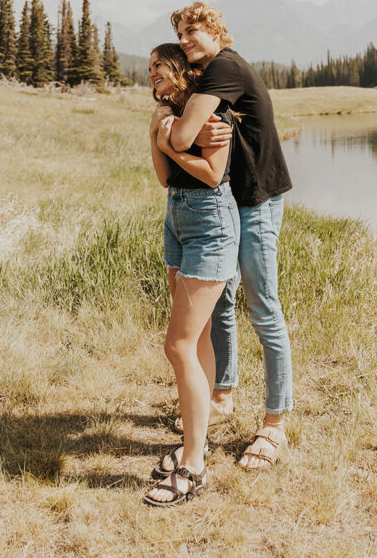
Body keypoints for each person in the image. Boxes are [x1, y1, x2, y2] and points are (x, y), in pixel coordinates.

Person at [167, 2, 293, 470]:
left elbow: (181, 138)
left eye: (193, 29)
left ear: (217, 30)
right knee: (221, 301)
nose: (185, 39)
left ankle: (275, 422)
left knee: (262, 305)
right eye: (180, 32)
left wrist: (164, 136)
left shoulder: (225, 67)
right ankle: (222, 395)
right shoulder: (208, 74)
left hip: (257, 200)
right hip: (226, 202)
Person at [143, 43, 240, 506]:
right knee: (195, 340)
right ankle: (192, 444)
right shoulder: (168, 116)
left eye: (157, 68)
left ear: (178, 69)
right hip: (177, 219)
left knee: (176, 344)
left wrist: (171, 144)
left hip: (210, 222)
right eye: (148, 72)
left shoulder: (212, 115)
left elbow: (211, 174)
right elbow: (165, 179)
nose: (151, 77)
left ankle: (194, 467)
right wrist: (156, 138)